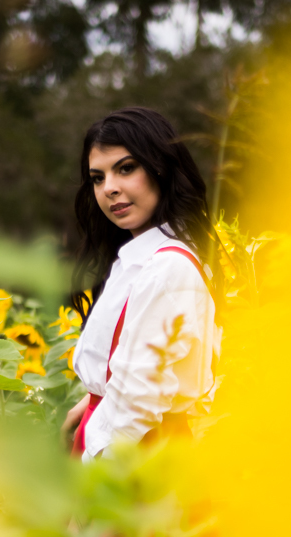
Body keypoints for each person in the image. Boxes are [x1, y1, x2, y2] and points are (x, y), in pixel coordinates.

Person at [63, 106, 218, 461]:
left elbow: (137, 406)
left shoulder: (166, 269)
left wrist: (89, 496)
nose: (110, 189)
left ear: (161, 168)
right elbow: (138, 368)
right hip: (119, 442)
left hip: (135, 461)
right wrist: (93, 401)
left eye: (126, 168)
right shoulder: (138, 259)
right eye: (97, 177)